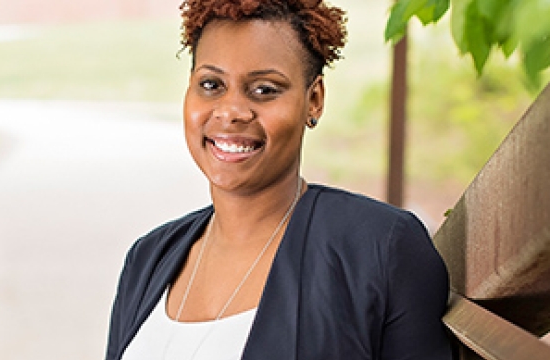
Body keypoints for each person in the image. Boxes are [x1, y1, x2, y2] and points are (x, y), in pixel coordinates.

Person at [105, 0, 455, 359]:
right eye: (211, 84)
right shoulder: (147, 259)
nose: (231, 112)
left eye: (264, 89)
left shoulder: (379, 249)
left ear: (314, 100)